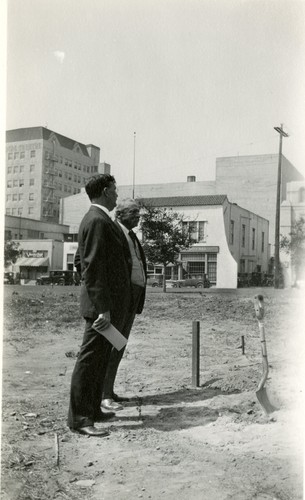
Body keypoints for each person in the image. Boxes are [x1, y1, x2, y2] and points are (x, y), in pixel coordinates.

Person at [67, 174, 132, 437]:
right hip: (100, 309)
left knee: (100, 359)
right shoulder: (97, 220)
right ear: (105, 191)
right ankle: (80, 419)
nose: (117, 195)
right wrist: (103, 307)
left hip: (105, 305)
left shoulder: (100, 219)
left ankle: (92, 410)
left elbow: (82, 260)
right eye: (115, 190)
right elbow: (91, 267)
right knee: (89, 360)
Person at [101, 198, 147, 411]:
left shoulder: (131, 236)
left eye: (138, 214)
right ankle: (103, 395)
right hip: (118, 301)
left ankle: (109, 390)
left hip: (132, 299)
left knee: (119, 346)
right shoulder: (112, 232)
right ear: (121, 215)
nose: (138, 218)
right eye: (134, 214)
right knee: (111, 346)